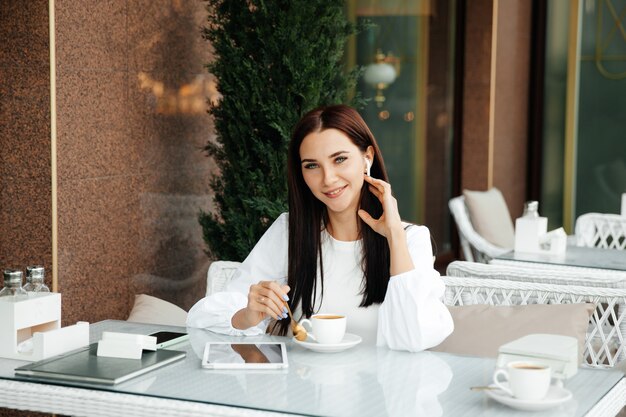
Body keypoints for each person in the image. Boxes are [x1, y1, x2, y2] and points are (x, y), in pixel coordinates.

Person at [187, 104, 453, 352]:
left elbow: (415, 337)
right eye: (312, 166)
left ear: (366, 158)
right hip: (300, 394)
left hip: (381, 395)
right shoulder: (289, 231)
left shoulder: (411, 239)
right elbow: (203, 317)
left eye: (340, 160)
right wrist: (247, 314)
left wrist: (394, 235)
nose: (328, 179)